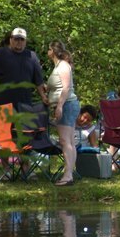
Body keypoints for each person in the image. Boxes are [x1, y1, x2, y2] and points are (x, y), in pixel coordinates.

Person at [0, 27, 48, 111]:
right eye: (16, 39)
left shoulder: (32, 56)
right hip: (0, 105)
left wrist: (43, 97)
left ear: (25, 41)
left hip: (23, 106)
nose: (19, 42)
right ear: (11, 39)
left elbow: (38, 81)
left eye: (22, 39)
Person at [46, 40, 80, 186]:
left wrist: (59, 106)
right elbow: (58, 86)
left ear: (52, 51)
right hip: (66, 105)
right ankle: (70, 174)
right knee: (69, 141)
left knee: (65, 141)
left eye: (48, 49)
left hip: (67, 105)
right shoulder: (58, 66)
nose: (47, 52)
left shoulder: (63, 65)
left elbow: (65, 88)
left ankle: (68, 176)